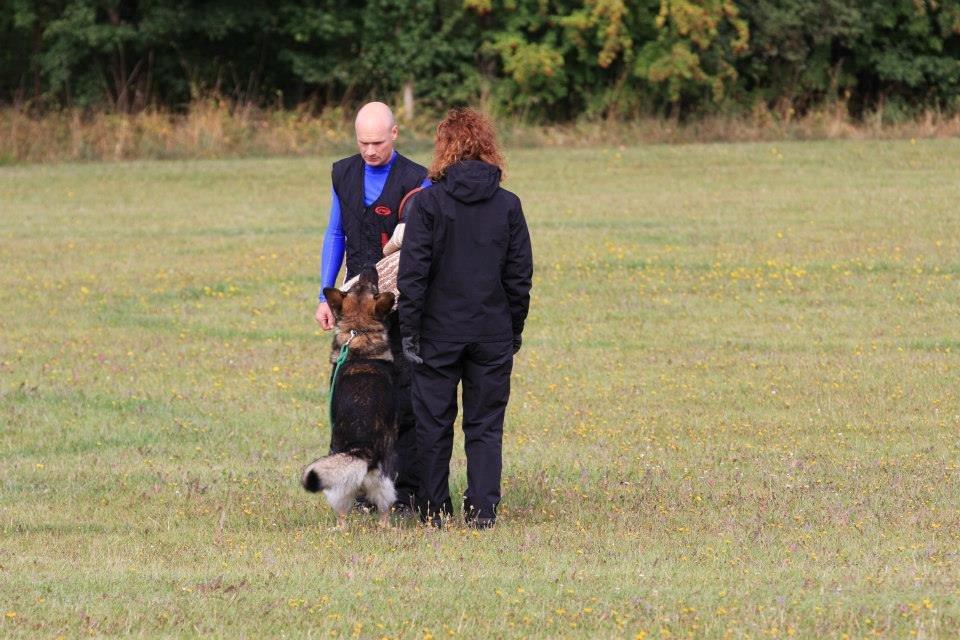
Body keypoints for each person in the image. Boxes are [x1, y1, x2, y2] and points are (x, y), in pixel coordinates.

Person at [397, 108, 533, 529]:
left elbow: (412, 275)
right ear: (488, 147)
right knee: (485, 426)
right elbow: (519, 276)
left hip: (437, 334)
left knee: (433, 426)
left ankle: (434, 512)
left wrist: (411, 333)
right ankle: (483, 513)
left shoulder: (427, 205)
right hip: (490, 333)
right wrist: (513, 330)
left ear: (443, 149)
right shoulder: (508, 205)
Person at [314, 101, 430, 513]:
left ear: (395, 134)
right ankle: (356, 489)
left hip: (401, 308)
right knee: (352, 399)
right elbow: (334, 233)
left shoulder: (418, 180)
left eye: (378, 142)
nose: (369, 151)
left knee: (406, 396)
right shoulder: (343, 173)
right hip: (355, 308)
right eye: (363, 142)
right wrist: (323, 297)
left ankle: (408, 491)